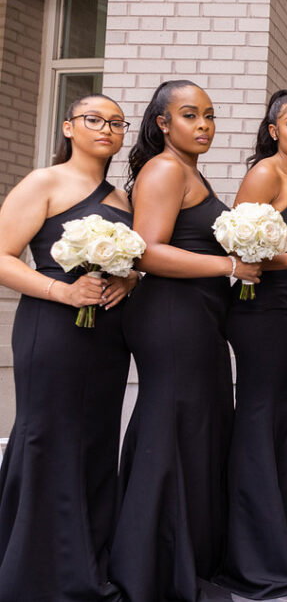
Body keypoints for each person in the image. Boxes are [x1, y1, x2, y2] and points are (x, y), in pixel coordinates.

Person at [109, 80, 262, 602]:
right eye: (191, 115)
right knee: (170, 433)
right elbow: (146, 251)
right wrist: (230, 264)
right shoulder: (165, 169)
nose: (204, 125)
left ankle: (182, 556)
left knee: (196, 434)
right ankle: (148, 569)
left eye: (210, 116)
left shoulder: (188, 170)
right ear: (162, 123)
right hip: (172, 319)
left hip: (199, 317)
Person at [0, 95, 136, 601]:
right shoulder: (45, 182)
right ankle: (35, 571)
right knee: (48, 438)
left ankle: (85, 562)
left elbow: (134, 261)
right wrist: (62, 290)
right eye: (93, 120)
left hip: (106, 335)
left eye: (116, 123)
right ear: (68, 126)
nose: (106, 129)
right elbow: (2, 256)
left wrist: (132, 279)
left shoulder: (123, 198)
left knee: (96, 440)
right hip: (52, 328)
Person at [214, 91, 287, 599]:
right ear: (273, 129)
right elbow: (241, 248)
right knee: (263, 425)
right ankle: (254, 556)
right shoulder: (265, 174)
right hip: (260, 313)